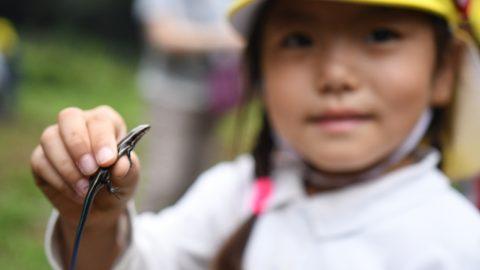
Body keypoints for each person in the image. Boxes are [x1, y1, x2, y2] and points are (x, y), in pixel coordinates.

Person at [31, 0, 480, 269]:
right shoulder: (238, 192)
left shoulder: (460, 243)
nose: (335, 75)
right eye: (299, 40)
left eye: (380, 34)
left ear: (446, 69)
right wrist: (97, 220)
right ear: (259, 72)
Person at [133, 0, 243, 211]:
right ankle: (142, 238)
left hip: (213, 98)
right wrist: (226, 39)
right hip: (171, 96)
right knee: (166, 183)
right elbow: (163, 35)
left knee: (201, 183)